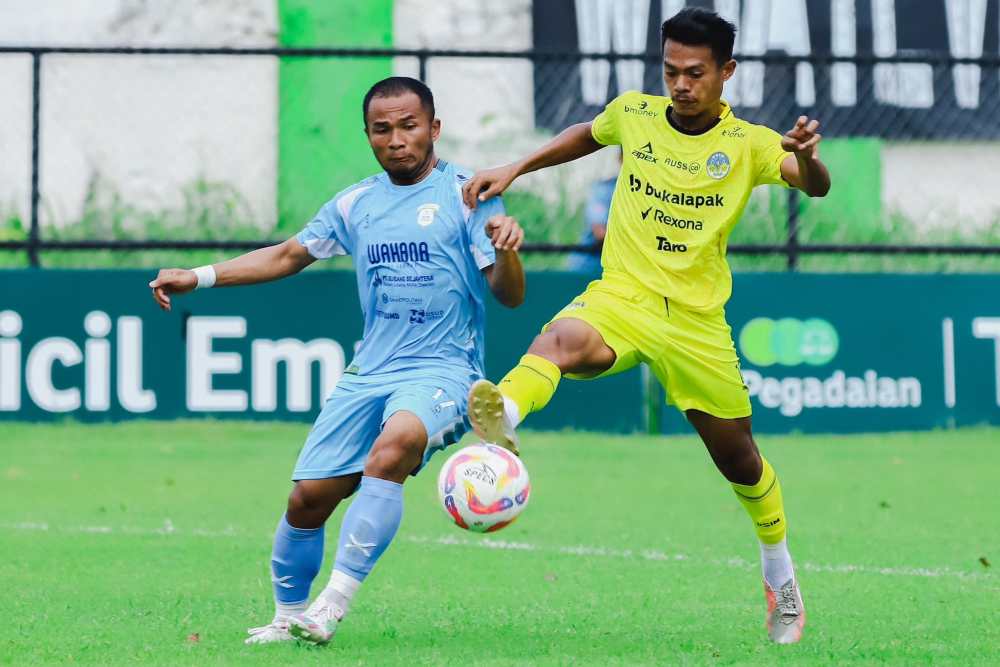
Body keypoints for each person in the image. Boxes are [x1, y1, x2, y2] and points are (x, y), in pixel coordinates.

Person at [460, 8, 830, 645]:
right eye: (670, 72)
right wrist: (516, 168)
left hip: (696, 323)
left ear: (726, 73)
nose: (680, 85)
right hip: (622, 298)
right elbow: (587, 133)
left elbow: (814, 186)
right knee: (559, 341)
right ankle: (506, 418)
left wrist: (808, 158)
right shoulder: (635, 113)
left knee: (740, 461)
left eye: (695, 73)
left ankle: (780, 574)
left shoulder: (748, 143)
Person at [148, 76, 525, 647]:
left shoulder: (468, 194)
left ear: (434, 129)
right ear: (369, 136)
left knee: (394, 447)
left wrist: (505, 251)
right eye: (383, 130)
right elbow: (288, 254)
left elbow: (508, 293)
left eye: (409, 126)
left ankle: (330, 606)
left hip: (444, 370)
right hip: (369, 371)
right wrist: (199, 277)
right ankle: (286, 617)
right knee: (308, 499)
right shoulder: (357, 203)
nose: (397, 139)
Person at [566, 151, 620, 274]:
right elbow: (599, 233)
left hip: (617, 273)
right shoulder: (603, 190)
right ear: (620, 158)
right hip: (586, 268)